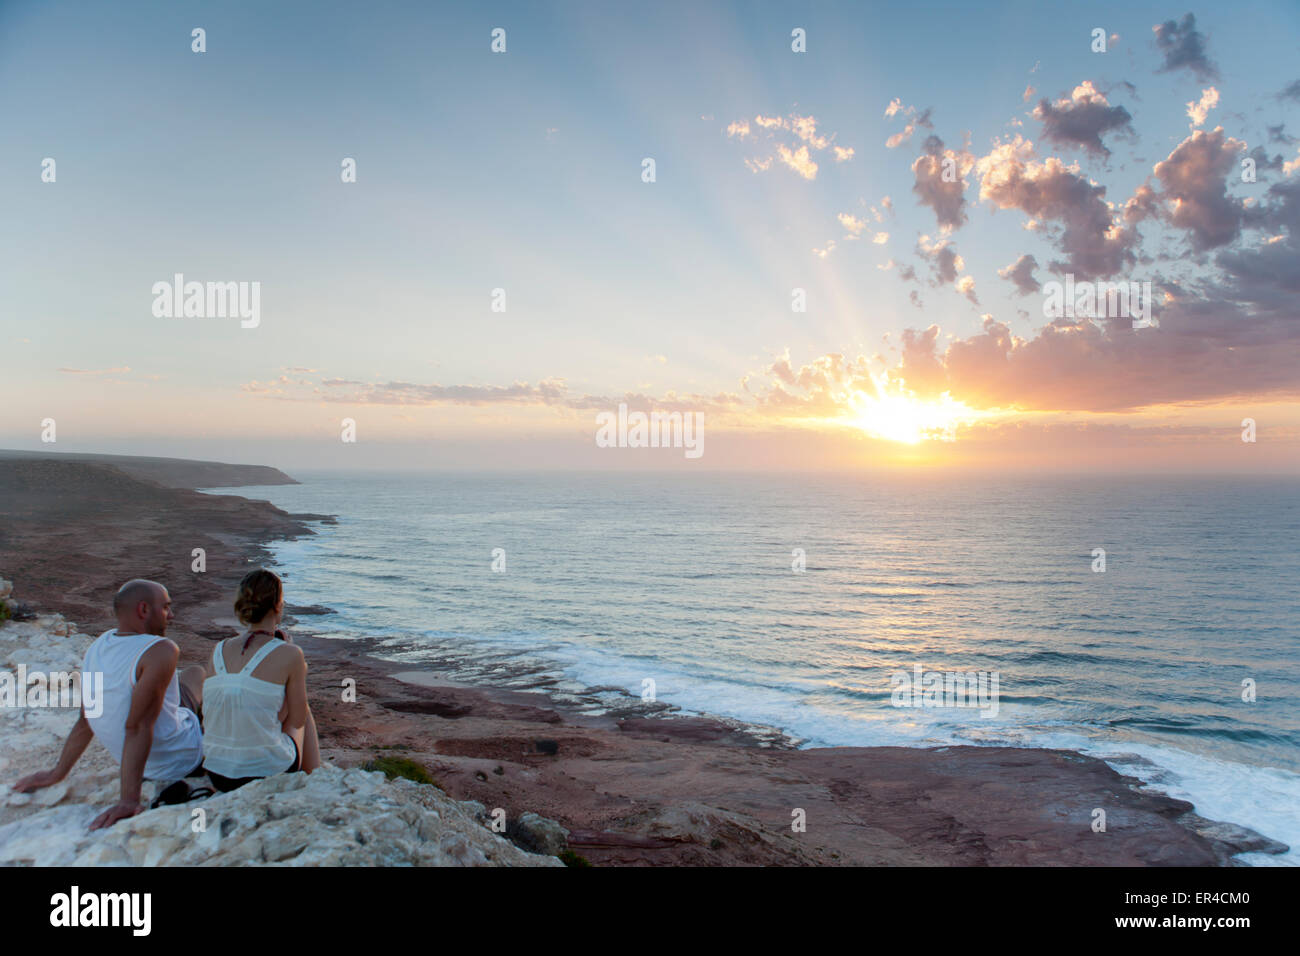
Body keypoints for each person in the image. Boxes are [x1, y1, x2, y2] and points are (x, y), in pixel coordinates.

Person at [12, 579, 205, 828]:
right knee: (198, 673)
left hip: (145, 758)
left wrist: (57, 773)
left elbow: (86, 718)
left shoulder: (97, 646)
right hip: (180, 761)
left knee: (182, 681)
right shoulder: (162, 649)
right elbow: (137, 727)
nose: (172, 616)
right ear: (144, 610)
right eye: (166, 608)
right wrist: (128, 800)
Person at [201, 568, 320, 791]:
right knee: (304, 710)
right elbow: (297, 720)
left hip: (218, 773)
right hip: (265, 772)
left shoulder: (219, 649)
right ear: (278, 606)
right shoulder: (291, 653)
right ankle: (315, 780)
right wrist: (294, 661)